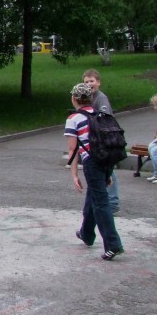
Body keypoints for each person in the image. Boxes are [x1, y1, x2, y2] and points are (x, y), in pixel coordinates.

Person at [65, 83, 124, 261]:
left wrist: (74, 174)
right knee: (94, 195)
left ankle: (113, 244)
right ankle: (86, 233)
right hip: (107, 160)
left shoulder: (74, 119)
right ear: (90, 99)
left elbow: (72, 150)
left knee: (100, 203)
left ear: (74, 99)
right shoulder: (99, 115)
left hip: (92, 162)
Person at [82, 69, 120, 215]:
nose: (89, 84)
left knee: (108, 169)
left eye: (91, 81)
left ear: (98, 82)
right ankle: (105, 201)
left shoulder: (101, 98)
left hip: (104, 139)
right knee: (102, 169)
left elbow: (105, 118)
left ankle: (113, 202)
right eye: (86, 82)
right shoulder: (88, 98)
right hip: (95, 139)